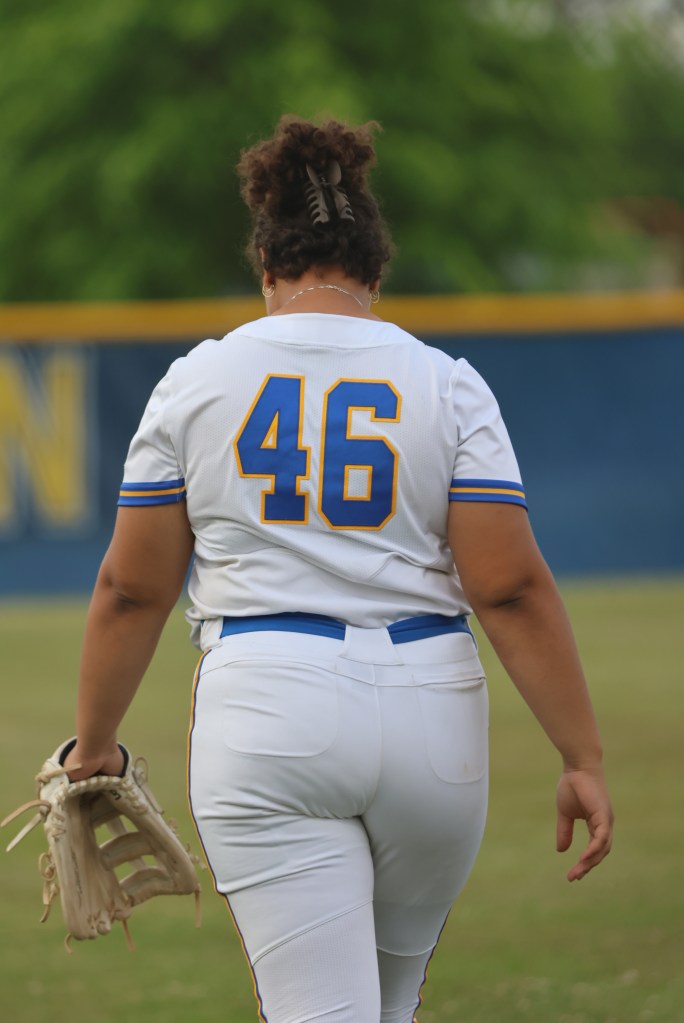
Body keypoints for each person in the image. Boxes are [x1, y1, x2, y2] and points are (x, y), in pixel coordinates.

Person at [64, 116, 613, 1023]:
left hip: (270, 704)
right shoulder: (448, 382)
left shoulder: (196, 381)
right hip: (433, 711)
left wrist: (94, 746)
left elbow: (132, 588)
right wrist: (580, 754)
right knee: (385, 1007)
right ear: (375, 271)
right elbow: (509, 586)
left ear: (266, 266)